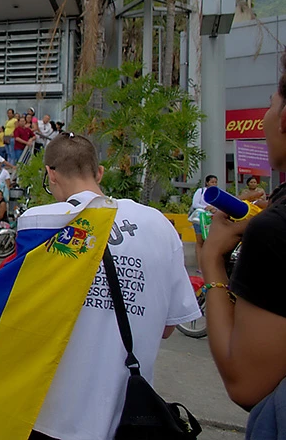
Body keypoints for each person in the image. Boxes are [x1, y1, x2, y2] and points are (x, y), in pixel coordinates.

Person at [26, 133, 200, 440]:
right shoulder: (158, 225)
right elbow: (167, 327)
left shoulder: (38, 222)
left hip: (51, 416)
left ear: (50, 174)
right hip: (131, 416)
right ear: (100, 172)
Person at [201, 55, 286, 423]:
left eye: (272, 104)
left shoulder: (274, 231)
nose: (266, 117)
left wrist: (211, 260)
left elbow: (245, 384)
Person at [191, 174, 218, 273]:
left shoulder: (217, 193)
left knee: (210, 242)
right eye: (212, 182)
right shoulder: (201, 191)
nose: (214, 184)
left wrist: (214, 209)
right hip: (200, 218)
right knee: (200, 242)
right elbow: (195, 204)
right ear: (207, 182)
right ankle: (200, 266)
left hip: (212, 219)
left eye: (215, 182)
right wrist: (206, 207)